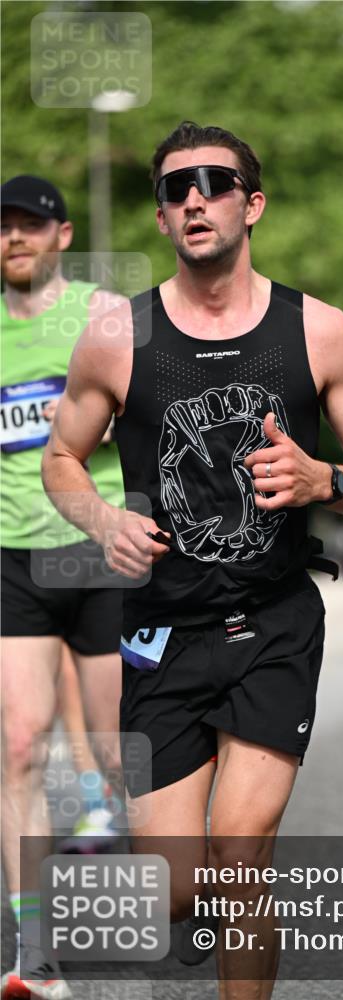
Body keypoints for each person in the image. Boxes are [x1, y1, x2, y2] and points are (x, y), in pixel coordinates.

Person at [41, 121, 343, 998]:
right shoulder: (115, 339)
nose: (193, 198)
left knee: (241, 857)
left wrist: (325, 478)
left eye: (213, 181)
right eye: (174, 189)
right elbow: (60, 459)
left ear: (253, 203)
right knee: (172, 886)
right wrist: (98, 520)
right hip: (160, 630)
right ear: (162, 219)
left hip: (273, 619)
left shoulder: (318, 331)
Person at [1, 175, 126, 1000]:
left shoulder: (100, 314)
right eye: (3, 228)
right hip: (12, 554)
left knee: (122, 753)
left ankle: (195, 873)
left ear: (61, 234)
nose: (14, 239)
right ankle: (34, 951)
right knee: (18, 746)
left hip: (96, 545)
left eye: (29, 227)